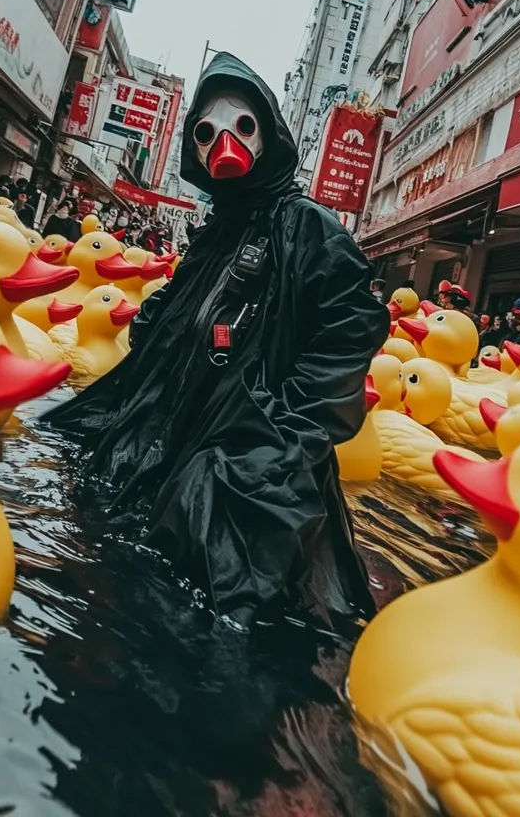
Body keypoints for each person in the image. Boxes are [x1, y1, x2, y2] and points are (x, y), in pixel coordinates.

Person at [45, 52, 390, 628]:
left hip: (252, 448)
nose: (224, 143)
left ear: (268, 134)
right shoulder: (220, 229)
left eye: (242, 126)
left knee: (226, 600)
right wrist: (155, 323)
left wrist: (287, 429)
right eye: (207, 133)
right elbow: (182, 302)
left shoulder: (306, 224)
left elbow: (351, 325)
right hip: (179, 421)